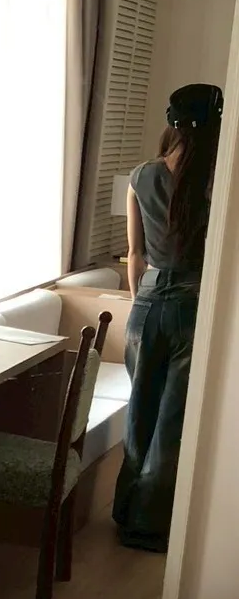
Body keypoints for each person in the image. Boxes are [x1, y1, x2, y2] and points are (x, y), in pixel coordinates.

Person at [114, 81, 224, 552]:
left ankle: (124, 513)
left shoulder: (140, 176)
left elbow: (135, 255)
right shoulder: (217, 182)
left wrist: (139, 305)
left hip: (146, 304)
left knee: (139, 411)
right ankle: (148, 526)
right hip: (193, 305)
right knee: (171, 422)